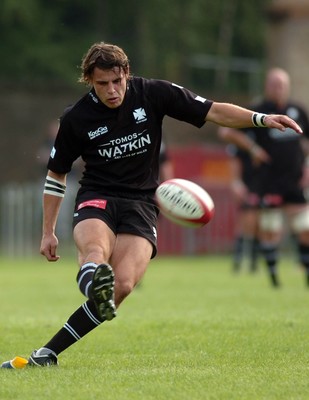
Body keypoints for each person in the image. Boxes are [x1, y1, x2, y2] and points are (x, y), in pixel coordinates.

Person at [1, 44, 302, 368]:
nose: (112, 90)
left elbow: (213, 111)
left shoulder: (153, 93)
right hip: (97, 196)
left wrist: (261, 119)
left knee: (124, 285)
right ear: (89, 80)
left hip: (142, 203)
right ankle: (91, 278)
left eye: (118, 81)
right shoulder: (77, 118)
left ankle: (48, 353)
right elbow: (55, 174)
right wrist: (48, 231)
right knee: (95, 251)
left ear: (126, 73)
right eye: (103, 84)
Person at [219, 68, 309, 287]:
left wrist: (307, 168)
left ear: (287, 87)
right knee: (270, 231)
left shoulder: (297, 110)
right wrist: (253, 148)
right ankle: (274, 280)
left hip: (295, 180)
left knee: (305, 229)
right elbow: (226, 132)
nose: (278, 88)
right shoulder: (259, 112)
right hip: (268, 181)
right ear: (267, 86)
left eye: (282, 84)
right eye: (274, 84)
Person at [225, 143, 260, 273]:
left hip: (265, 183)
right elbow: (234, 160)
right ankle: (238, 262)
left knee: (258, 226)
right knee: (246, 223)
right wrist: (236, 182)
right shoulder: (241, 136)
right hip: (248, 184)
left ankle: (253, 263)